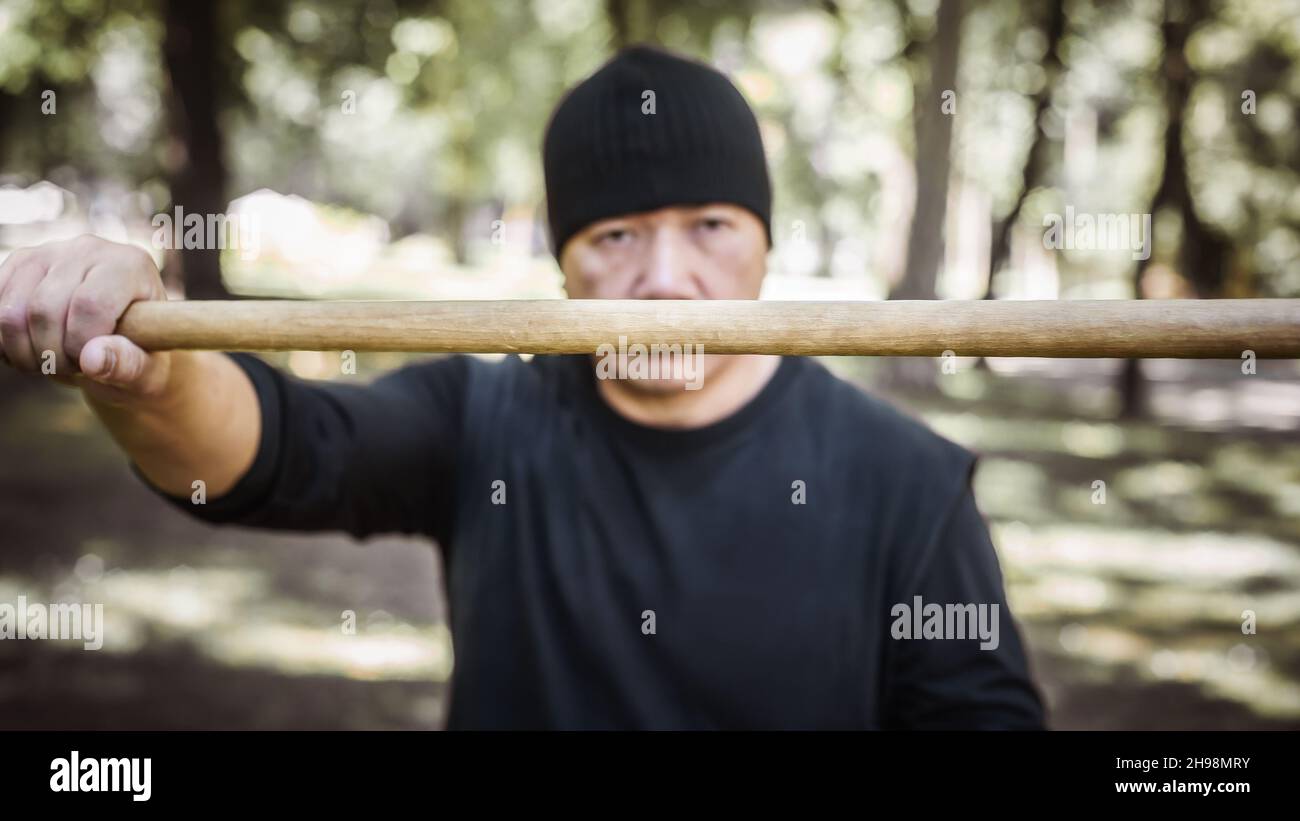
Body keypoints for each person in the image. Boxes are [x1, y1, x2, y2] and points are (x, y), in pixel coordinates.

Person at [0, 45, 1044, 730]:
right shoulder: (484, 417)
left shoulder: (906, 480)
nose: (666, 277)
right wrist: (146, 380)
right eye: (617, 232)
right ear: (564, 263)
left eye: (711, 227)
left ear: (765, 244)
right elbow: (274, 450)